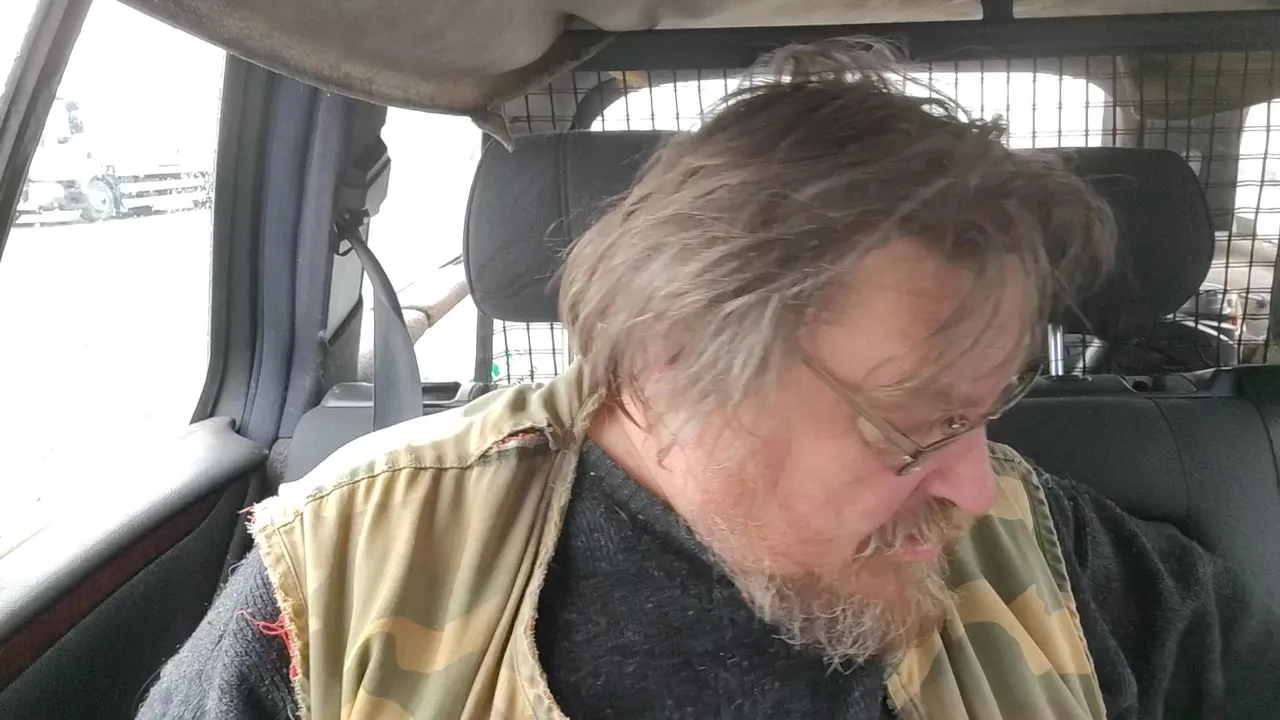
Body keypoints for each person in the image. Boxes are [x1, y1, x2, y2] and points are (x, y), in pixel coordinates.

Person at [137, 39, 1280, 720]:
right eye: (914, 427)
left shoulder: (1063, 569)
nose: (979, 488)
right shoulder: (344, 582)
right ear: (667, 365)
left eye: (987, 413)